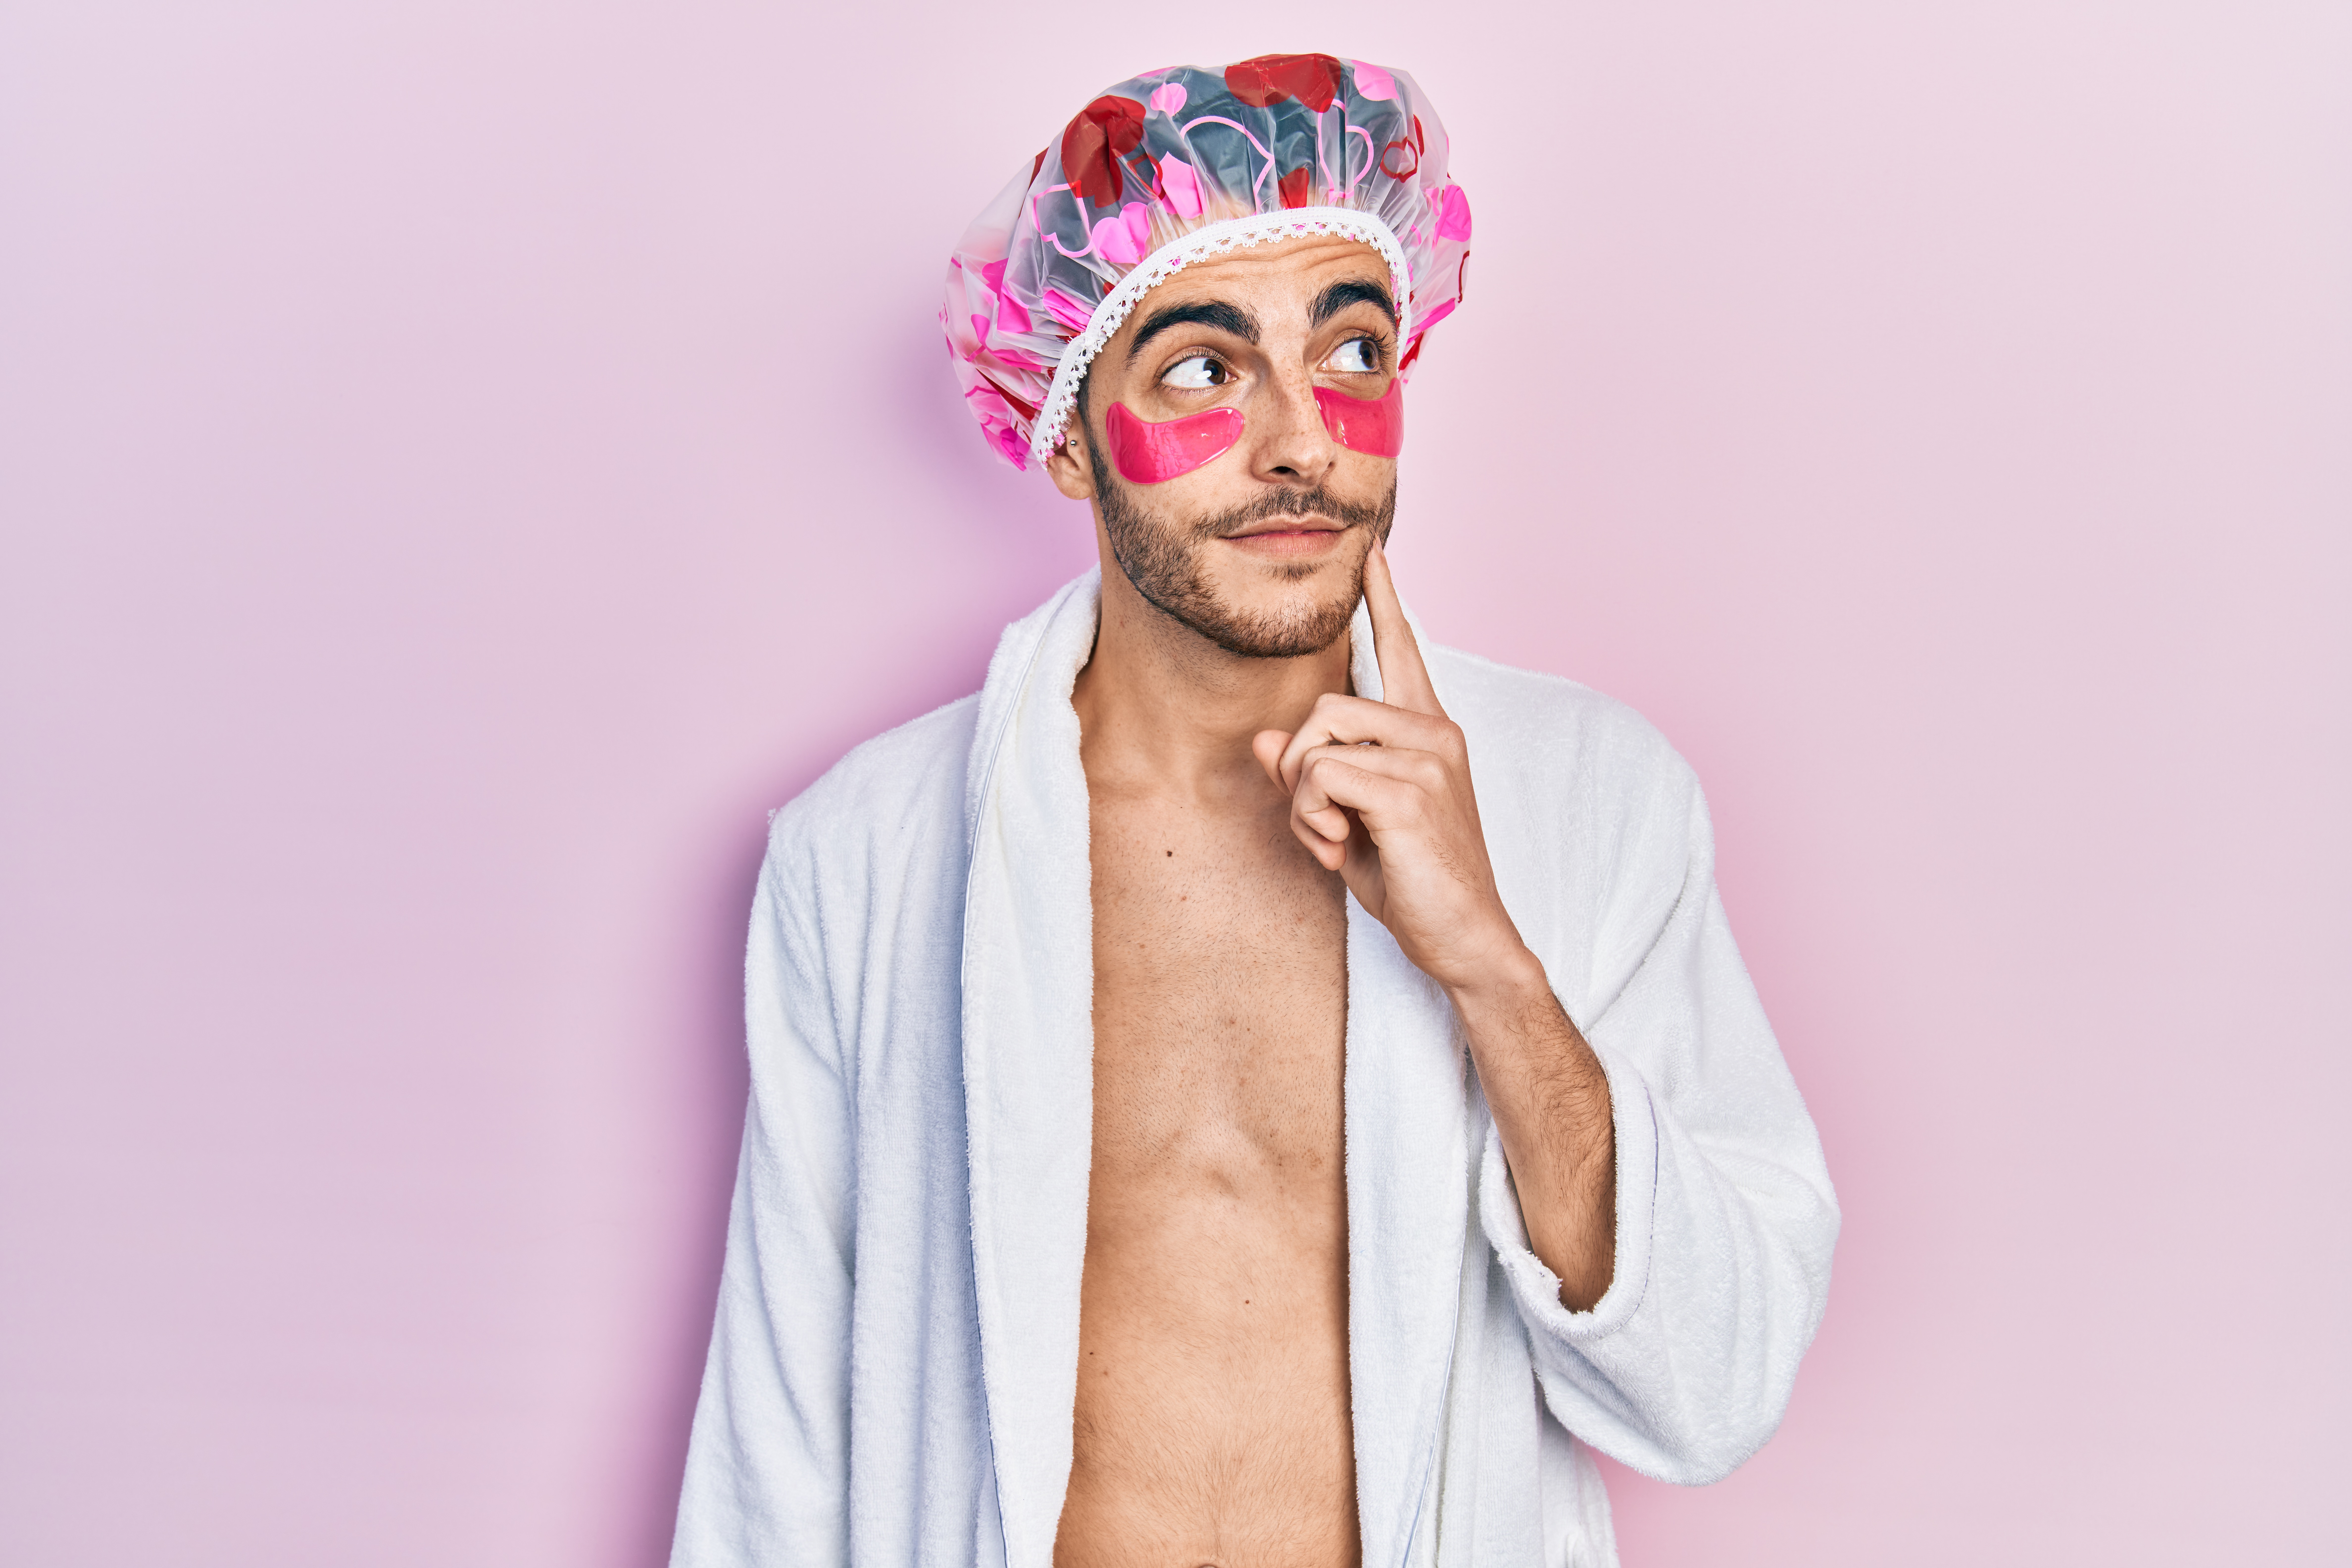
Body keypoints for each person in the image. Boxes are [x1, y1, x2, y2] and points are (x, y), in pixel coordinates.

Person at [671, 54, 1838, 1568]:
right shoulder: (875, 855)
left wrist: (1487, 956)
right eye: (1207, 370)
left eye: (1354, 352)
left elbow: (1716, 1389)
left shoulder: (1589, 796)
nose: (1302, 440)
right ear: (1069, 430)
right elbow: (780, 1451)